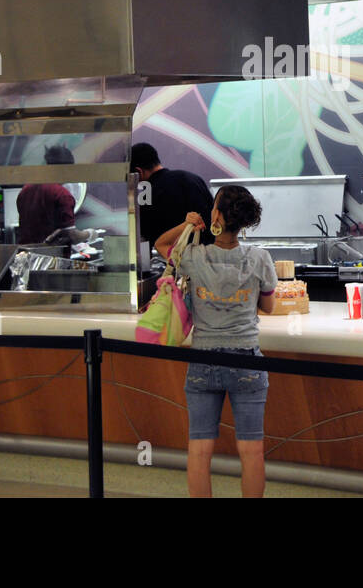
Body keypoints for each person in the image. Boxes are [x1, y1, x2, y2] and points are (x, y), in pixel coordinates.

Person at [154, 184, 276, 498]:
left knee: (199, 451)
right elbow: (269, 306)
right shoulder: (260, 258)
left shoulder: (193, 256)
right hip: (246, 359)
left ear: (217, 215)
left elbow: (161, 244)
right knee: (251, 452)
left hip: (203, 360)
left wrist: (187, 224)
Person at [132, 142, 215, 246]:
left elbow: (147, 238)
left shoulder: (148, 194)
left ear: (138, 172)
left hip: (173, 258)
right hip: (207, 253)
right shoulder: (194, 178)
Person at [16, 145, 77, 244]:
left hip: (27, 253)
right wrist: (89, 234)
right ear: (67, 169)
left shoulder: (25, 190)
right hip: (53, 256)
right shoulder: (62, 195)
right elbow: (72, 235)